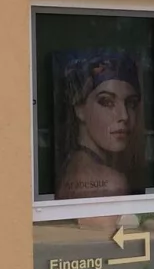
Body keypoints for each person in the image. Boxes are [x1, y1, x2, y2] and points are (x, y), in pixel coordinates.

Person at [55, 51, 144, 200]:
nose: (124, 116)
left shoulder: (69, 166)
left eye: (131, 103)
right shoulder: (113, 183)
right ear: (80, 109)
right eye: (107, 102)